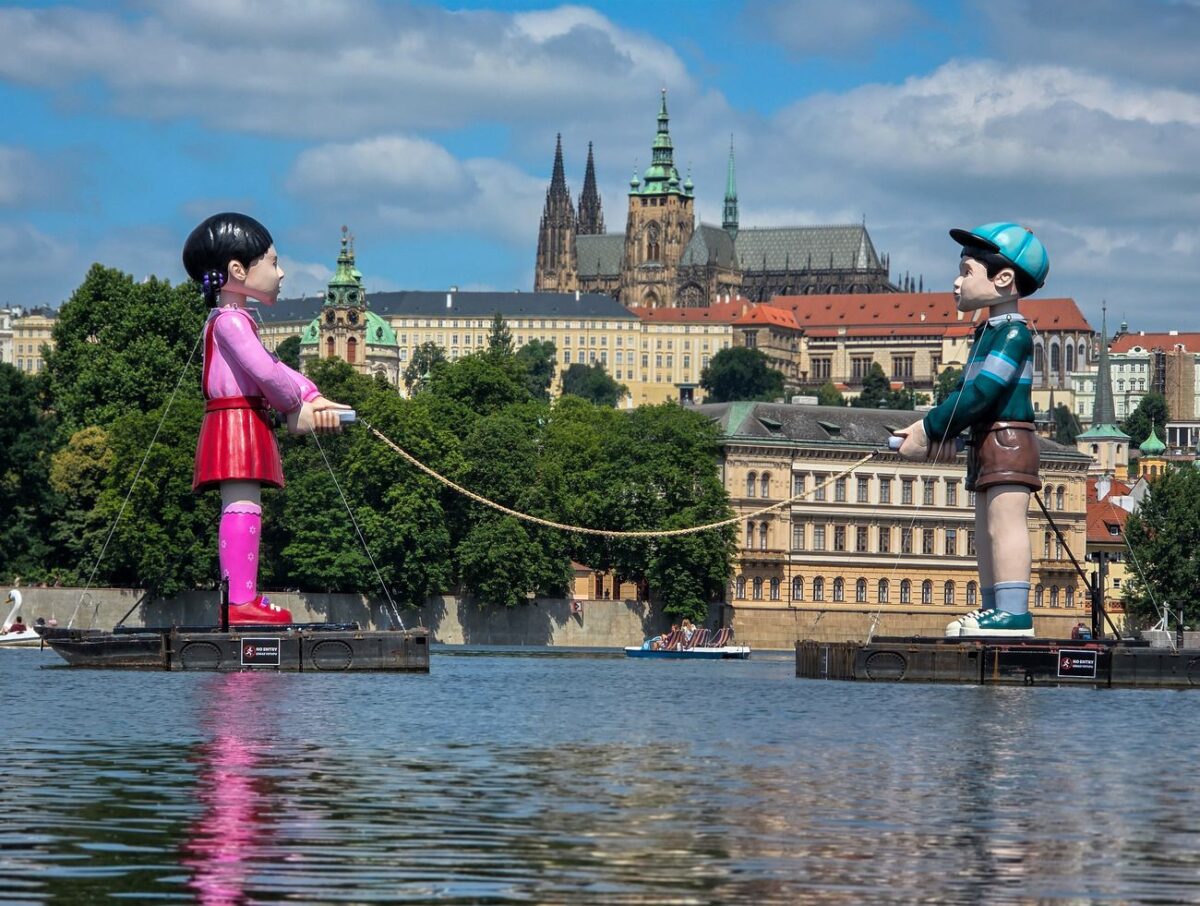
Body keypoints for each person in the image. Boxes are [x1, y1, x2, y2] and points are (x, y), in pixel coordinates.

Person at [183, 213, 350, 625]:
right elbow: (267, 373)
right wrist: (297, 405)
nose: (281, 272)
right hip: (237, 421)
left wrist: (313, 395)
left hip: (243, 419)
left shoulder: (235, 321)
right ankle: (240, 602)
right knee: (242, 503)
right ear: (238, 270)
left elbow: (277, 369)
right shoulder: (232, 322)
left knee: (246, 504)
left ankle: (242, 600)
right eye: (272, 263)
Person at [895, 223, 1049, 638]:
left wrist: (930, 429)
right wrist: (948, 437)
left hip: (1008, 441)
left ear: (1002, 279)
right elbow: (972, 398)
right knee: (985, 531)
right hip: (985, 442)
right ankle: (993, 607)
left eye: (966, 271)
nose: (956, 281)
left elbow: (984, 392)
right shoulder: (986, 333)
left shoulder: (1013, 333)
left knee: (1005, 526)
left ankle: (1014, 613)